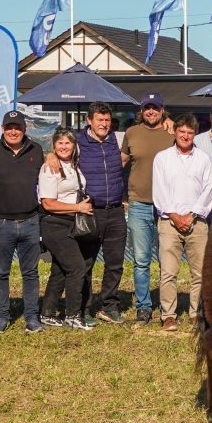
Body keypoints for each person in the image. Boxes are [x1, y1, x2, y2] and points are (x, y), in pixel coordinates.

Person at [45, 102, 128, 325]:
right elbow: (60, 149)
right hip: (90, 211)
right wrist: (49, 155)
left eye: (107, 120)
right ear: (89, 121)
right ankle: (84, 308)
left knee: (115, 262)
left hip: (116, 211)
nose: (104, 124)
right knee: (87, 262)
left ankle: (109, 306)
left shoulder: (116, 139)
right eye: (100, 120)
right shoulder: (79, 141)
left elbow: (138, 145)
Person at [0, 110, 44, 334]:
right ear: (2, 129)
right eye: (9, 127)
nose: (13, 131)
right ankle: (1, 317)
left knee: (31, 273)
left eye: (17, 127)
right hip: (1, 222)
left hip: (30, 220)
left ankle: (31, 318)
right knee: (0, 272)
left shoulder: (36, 150)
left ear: (24, 129)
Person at [151, 114, 212, 332]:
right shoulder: (162, 158)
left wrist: (192, 215)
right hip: (169, 222)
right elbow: (159, 191)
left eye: (190, 132)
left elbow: (209, 190)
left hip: (197, 223)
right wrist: (176, 216)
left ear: (194, 134)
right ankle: (168, 315)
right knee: (168, 271)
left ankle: (196, 313)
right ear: (175, 132)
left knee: (200, 272)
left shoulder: (204, 159)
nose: (185, 135)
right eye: (182, 131)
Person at [121, 92, 175, 324]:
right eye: (147, 108)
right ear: (141, 111)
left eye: (155, 108)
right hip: (139, 204)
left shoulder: (171, 132)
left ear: (163, 110)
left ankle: (167, 308)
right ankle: (144, 307)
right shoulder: (131, 133)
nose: (151, 111)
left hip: (166, 207)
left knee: (166, 260)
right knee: (141, 260)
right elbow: (119, 162)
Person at [39, 128, 99, 330]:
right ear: (54, 146)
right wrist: (77, 207)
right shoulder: (50, 168)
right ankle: (73, 315)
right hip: (54, 224)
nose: (63, 147)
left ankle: (48, 313)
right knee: (77, 267)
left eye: (67, 143)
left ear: (74, 146)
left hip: (71, 224)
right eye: (59, 143)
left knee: (60, 270)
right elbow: (48, 203)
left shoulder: (73, 165)